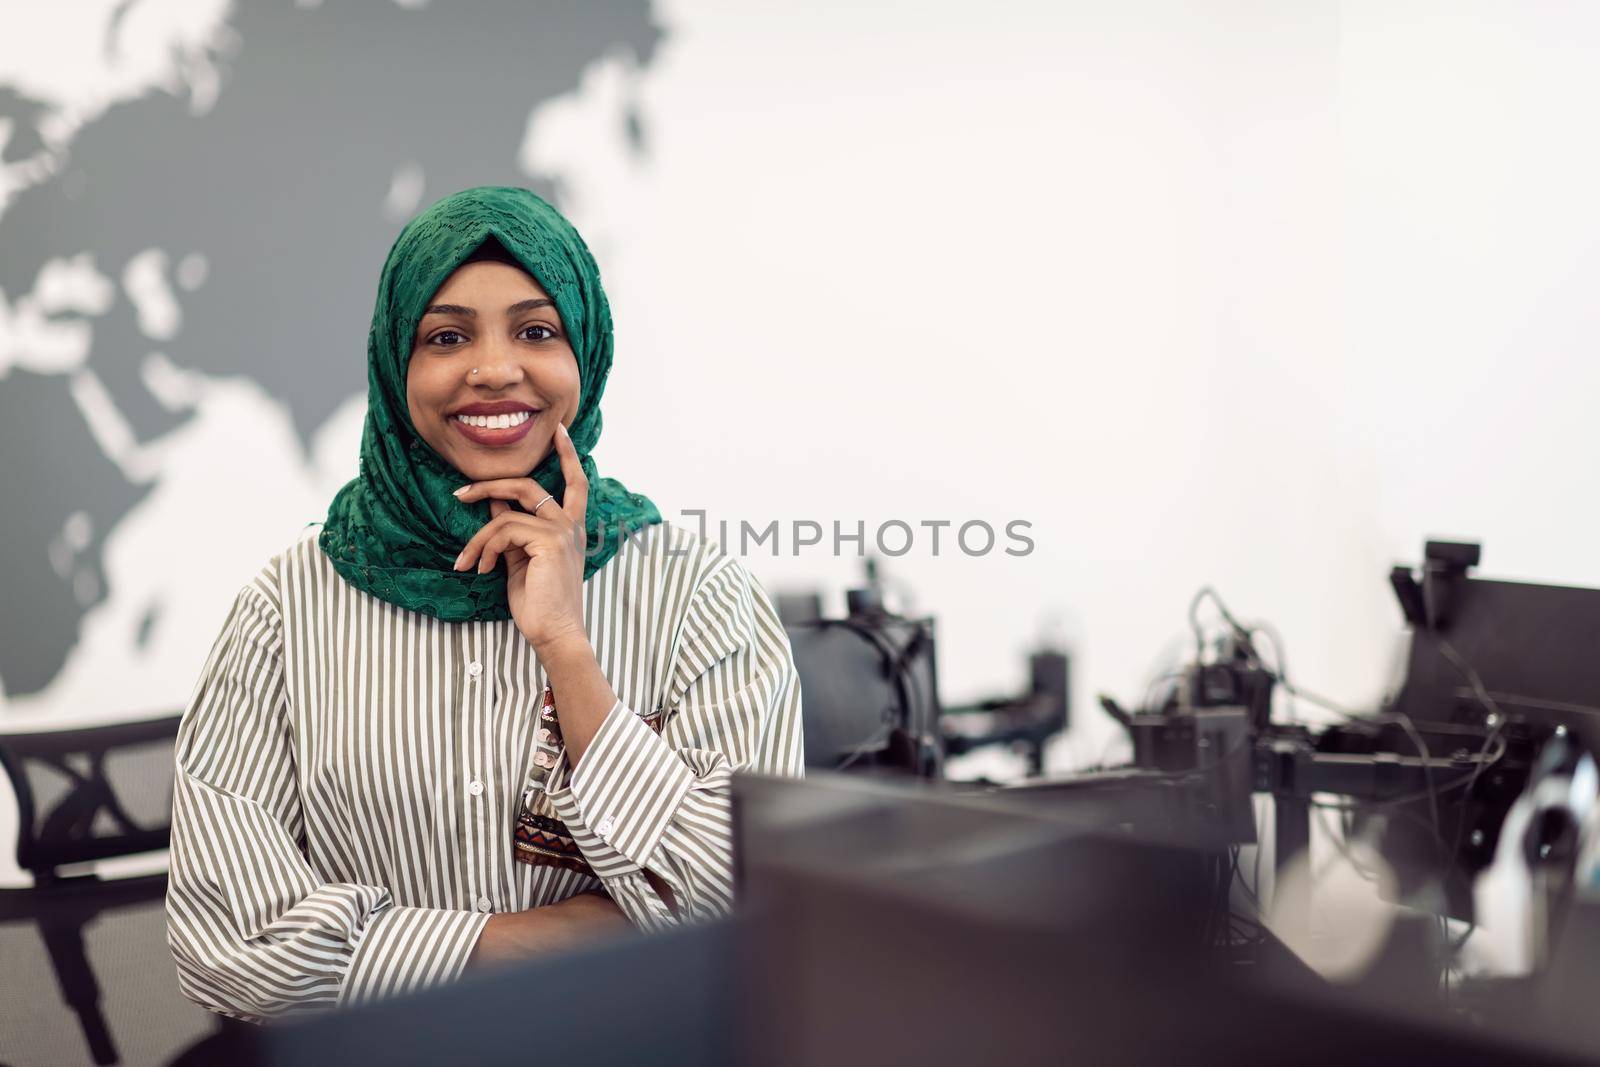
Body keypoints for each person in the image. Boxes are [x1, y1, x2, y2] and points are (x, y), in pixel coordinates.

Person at [164, 186, 805, 1021]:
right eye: (447, 336)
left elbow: (743, 916)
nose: (495, 368)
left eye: (537, 331)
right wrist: (533, 944)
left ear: (588, 353)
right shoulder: (284, 612)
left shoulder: (698, 597)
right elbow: (226, 948)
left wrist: (569, 652)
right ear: (398, 364)